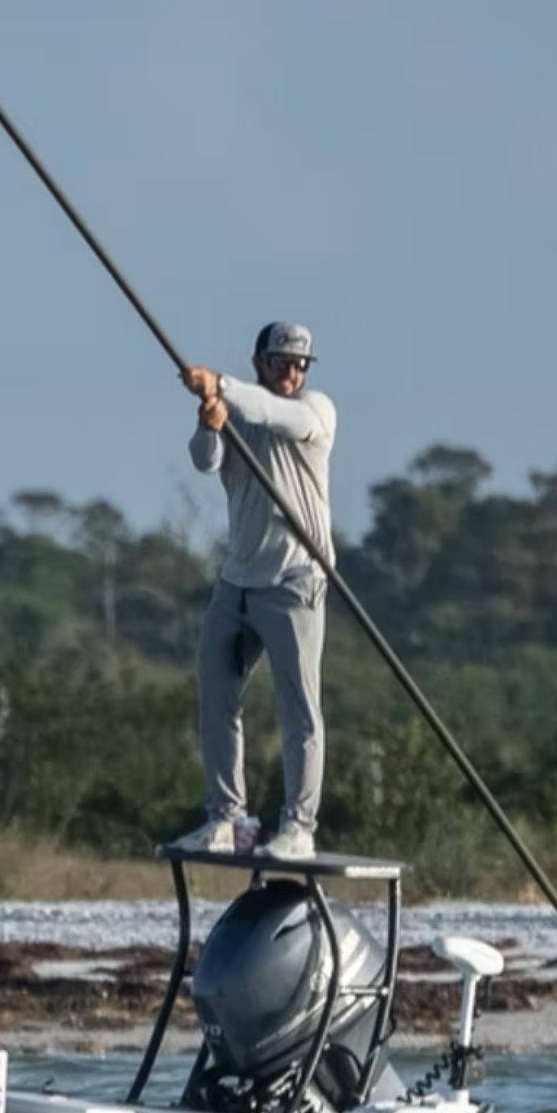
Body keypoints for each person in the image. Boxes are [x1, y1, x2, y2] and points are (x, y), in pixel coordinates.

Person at [171, 322, 336, 861]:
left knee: (298, 709)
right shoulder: (239, 408)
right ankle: (225, 819)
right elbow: (205, 461)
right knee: (216, 700)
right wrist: (210, 421)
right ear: (259, 361)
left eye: (299, 365)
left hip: (295, 581)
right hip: (237, 581)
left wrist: (222, 387)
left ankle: (298, 827)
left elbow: (274, 414)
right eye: (281, 362)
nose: (291, 373)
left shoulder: (314, 411)